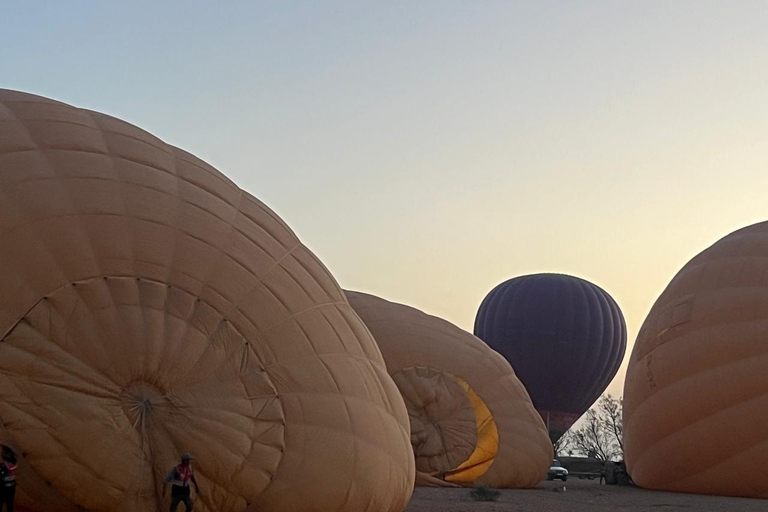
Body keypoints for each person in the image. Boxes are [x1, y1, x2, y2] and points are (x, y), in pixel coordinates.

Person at [0, 445, 17, 512]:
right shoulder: (13, 463)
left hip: (4, 486)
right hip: (11, 486)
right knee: (9, 504)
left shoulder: (4, 466)